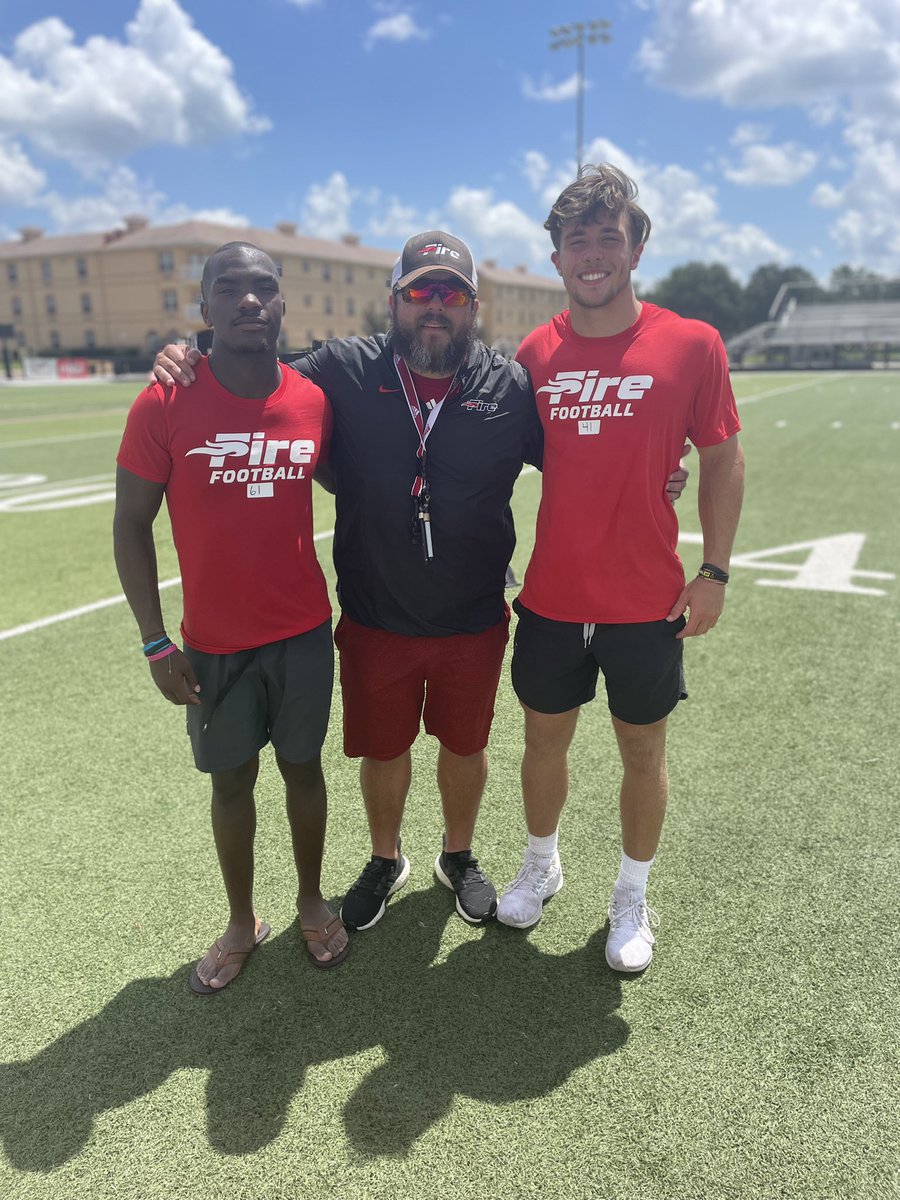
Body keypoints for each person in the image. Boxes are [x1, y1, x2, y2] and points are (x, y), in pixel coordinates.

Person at [152, 230, 689, 934]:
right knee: (384, 749)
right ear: (393, 301)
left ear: (473, 307)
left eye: (452, 294)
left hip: (473, 613)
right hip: (376, 611)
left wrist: (660, 471)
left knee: (466, 748)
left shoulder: (509, 384)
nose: (435, 307)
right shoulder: (342, 369)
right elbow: (256, 377)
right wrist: (187, 351)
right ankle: (385, 857)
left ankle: (458, 855)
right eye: (419, 292)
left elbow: (580, 451)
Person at [495, 164, 745, 975]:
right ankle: (542, 864)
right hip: (554, 596)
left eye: (610, 236)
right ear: (558, 258)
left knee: (643, 751)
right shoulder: (535, 352)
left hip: (646, 600)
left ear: (637, 248)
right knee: (542, 742)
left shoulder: (691, 343)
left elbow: (720, 457)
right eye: (577, 239)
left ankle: (631, 896)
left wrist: (714, 570)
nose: (593, 252)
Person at [115, 242, 349, 994]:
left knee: (304, 769)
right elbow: (129, 526)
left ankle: (312, 900)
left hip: (305, 633)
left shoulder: (313, 399)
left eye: (264, 288)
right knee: (229, 783)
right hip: (212, 645)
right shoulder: (165, 400)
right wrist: (155, 643)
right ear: (206, 307)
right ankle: (241, 922)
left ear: (283, 303)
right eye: (231, 289)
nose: (250, 301)